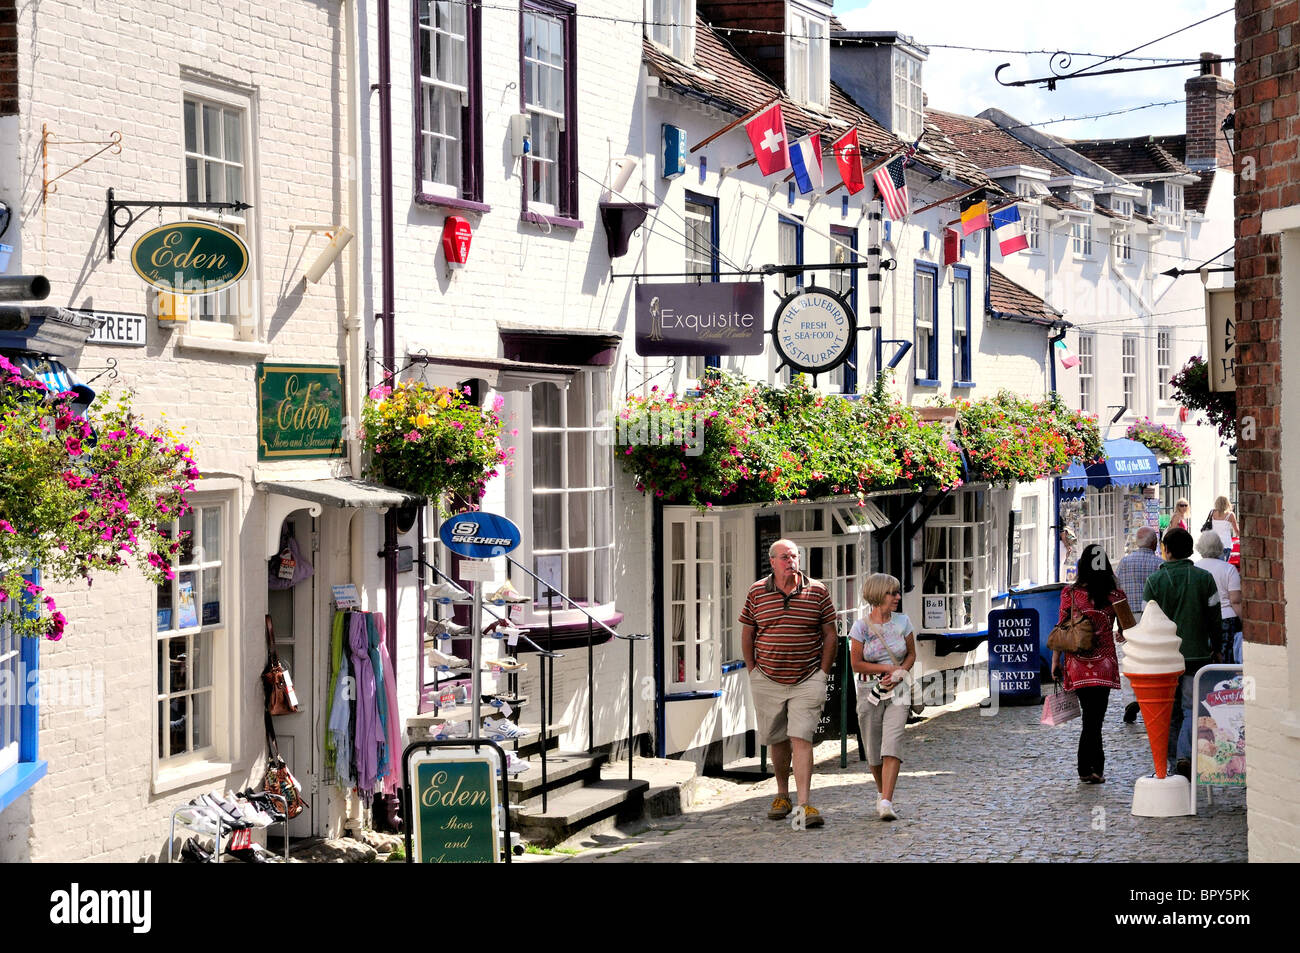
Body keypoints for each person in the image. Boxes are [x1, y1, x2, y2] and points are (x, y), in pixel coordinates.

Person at [740, 539, 838, 829]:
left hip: (807, 677)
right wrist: (752, 671)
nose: (791, 561)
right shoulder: (757, 592)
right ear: (772, 562)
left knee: (802, 737)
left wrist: (823, 672)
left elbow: (830, 634)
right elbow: (748, 633)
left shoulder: (817, 591)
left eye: (794, 556)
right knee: (777, 739)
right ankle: (782, 794)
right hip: (767, 677)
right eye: (784, 557)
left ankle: (805, 805)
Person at [1143, 527, 1220, 779]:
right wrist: (1217, 647)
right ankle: (1185, 756)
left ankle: (1174, 761)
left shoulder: (1154, 582)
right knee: (1191, 709)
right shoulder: (1205, 579)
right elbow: (1214, 618)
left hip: (1163, 658)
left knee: (1168, 711)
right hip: (1196, 655)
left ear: (1167, 550)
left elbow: (1147, 623)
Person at [1050, 544, 1126, 784]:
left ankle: (1087, 768)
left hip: (1077, 663)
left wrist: (1055, 662)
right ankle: (1092, 768)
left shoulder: (1069, 594)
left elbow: (1061, 628)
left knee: (1090, 717)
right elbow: (1127, 626)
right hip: (1104, 664)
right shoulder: (1115, 595)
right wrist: (1119, 632)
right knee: (1095, 717)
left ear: (1082, 566)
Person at [847, 574, 916, 821]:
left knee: (892, 745)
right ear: (878, 596)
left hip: (898, 691)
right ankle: (880, 791)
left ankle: (886, 801)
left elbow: (911, 655)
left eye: (898, 593)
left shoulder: (903, 622)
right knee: (874, 751)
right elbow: (856, 664)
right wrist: (886, 670)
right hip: (869, 693)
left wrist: (899, 673)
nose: (898, 597)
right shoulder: (861, 627)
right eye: (892, 593)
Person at [1117, 527, 1165, 723]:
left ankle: (1130, 699)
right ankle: (1150, 700)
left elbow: (1117, 595)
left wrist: (1119, 625)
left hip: (1128, 617)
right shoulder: (1160, 564)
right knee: (1153, 660)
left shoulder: (1124, 563)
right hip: (1153, 618)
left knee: (1130, 659)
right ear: (1154, 543)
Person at [1194, 530, 1243, 664]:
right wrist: (1244, 621)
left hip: (1202, 618)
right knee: (1226, 659)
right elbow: (1235, 600)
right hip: (1226, 618)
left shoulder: (1194, 568)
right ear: (1220, 547)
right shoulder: (1229, 569)